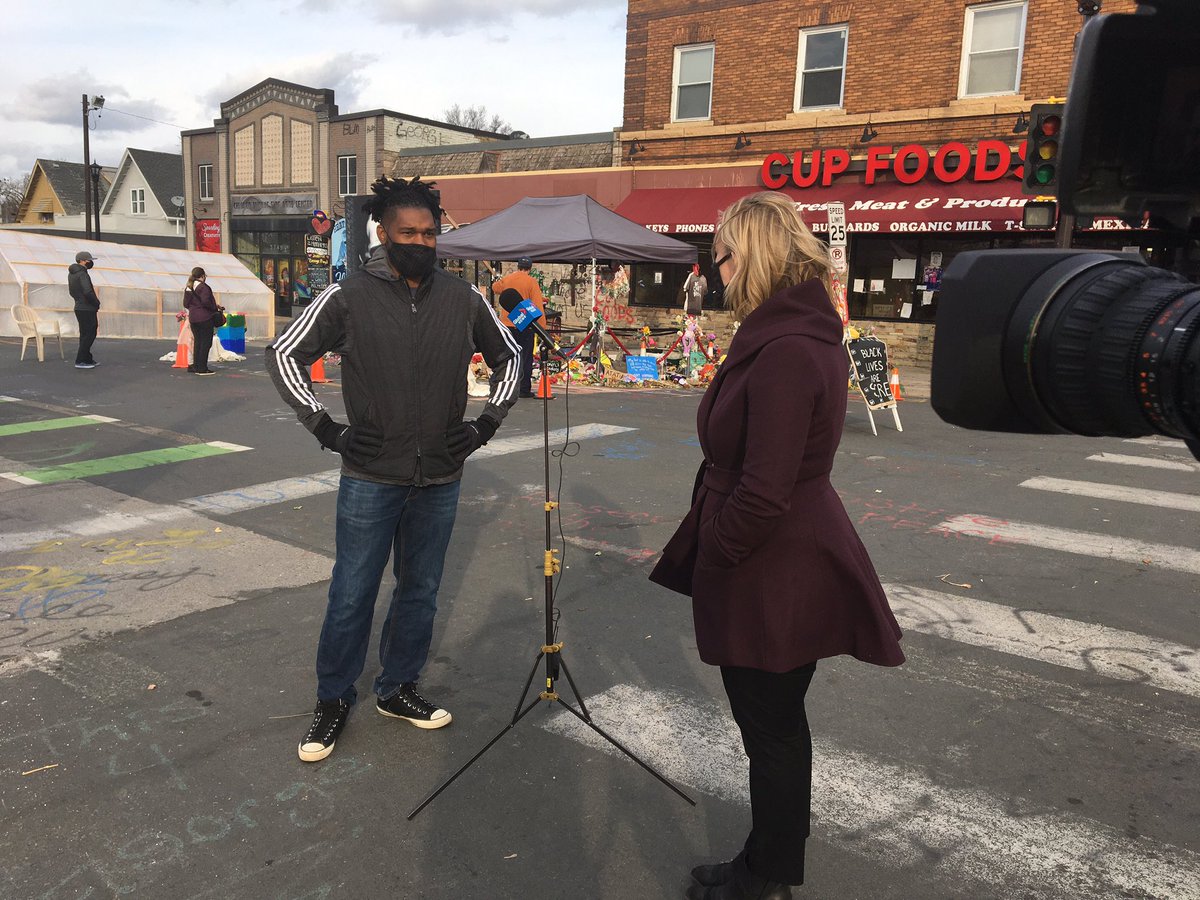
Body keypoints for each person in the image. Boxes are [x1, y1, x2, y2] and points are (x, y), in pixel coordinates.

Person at [649, 192, 905, 900]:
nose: (715, 274)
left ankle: (766, 876)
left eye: (720, 258)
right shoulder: (790, 333)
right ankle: (766, 862)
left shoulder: (788, 346)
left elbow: (765, 488)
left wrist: (717, 556)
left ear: (751, 255)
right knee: (775, 726)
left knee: (772, 729)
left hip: (770, 558)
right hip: (779, 547)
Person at [265, 175, 520, 763]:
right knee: (352, 592)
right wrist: (327, 429)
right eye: (410, 232)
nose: (422, 242)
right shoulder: (349, 294)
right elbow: (285, 355)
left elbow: (509, 357)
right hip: (370, 476)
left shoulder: (463, 298)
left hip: (440, 477)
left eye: (430, 233)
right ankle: (332, 700)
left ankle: (398, 688)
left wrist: (484, 426)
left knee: (420, 591)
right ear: (383, 232)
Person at [489, 256, 546, 398]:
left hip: (507, 324)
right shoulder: (532, 282)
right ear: (530, 268)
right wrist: (542, 330)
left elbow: (495, 288)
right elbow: (537, 305)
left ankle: (502, 385)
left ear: (517, 266)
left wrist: (499, 280)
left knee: (507, 356)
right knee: (525, 357)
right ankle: (523, 388)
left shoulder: (508, 279)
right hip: (524, 324)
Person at [183, 267, 221, 375]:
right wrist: (215, 307)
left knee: (198, 342)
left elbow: (185, 304)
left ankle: (195, 366)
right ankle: (202, 368)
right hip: (204, 318)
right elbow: (206, 302)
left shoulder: (188, 287)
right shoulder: (203, 287)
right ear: (203, 276)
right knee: (205, 342)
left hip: (193, 318)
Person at [67, 250, 101, 368]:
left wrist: (79, 300)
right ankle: (81, 360)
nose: (90, 262)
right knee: (90, 334)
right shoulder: (82, 274)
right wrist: (96, 302)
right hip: (87, 308)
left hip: (79, 307)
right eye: (89, 260)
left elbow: (72, 292)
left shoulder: (72, 274)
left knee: (84, 334)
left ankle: (87, 358)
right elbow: (87, 291)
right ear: (82, 261)